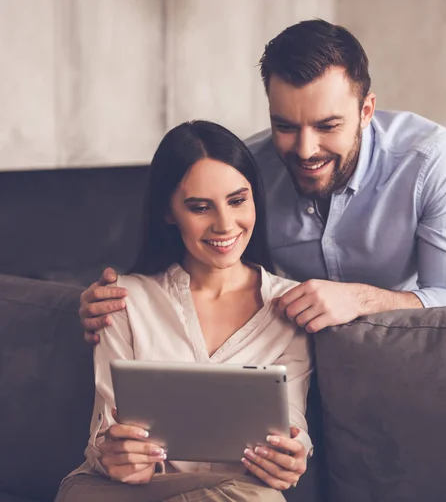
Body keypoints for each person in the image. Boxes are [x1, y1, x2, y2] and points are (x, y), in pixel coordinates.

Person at [79, 19, 446, 341]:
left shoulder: (431, 159)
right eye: (285, 126)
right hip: (286, 363)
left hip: (402, 356)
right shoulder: (246, 171)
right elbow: (186, 261)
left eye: (328, 126)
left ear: (366, 111)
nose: (306, 150)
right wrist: (115, 303)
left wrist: (358, 299)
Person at [56, 121, 312, 502]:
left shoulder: (290, 308)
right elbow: (105, 429)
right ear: (168, 212)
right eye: (200, 207)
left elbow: (291, 420)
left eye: (238, 200)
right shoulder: (124, 300)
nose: (225, 224)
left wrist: (293, 452)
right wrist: (113, 452)